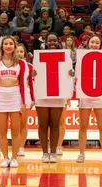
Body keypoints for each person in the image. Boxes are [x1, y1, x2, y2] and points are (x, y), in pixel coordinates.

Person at [0, 36, 28, 168]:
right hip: (1, 96)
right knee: (2, 130)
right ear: (2, 47)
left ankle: (14, 157)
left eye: (11, 44)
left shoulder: (21, 63)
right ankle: (5, 157)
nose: (8, 46)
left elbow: (23, 83)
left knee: (15, 130)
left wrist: (24, 102)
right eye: (5, 44)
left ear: (14, 46)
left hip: (15, 96)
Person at [35, 33, 72, 163]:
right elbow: (33, 75)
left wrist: (70, 75)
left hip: (58, 94)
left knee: (55, 124)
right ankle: (45, 153)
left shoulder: (65, 57)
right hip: (41, 94)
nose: (52, 43)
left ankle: (54, 152)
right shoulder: (38, 56)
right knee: (43, 124)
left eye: (54, 41)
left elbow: (69, 76)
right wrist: (34, 73)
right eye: (49, 41)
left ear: (58, 42)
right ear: (45, 42)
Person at [75, 35, 102, 163]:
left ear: (100, 45)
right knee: (83, 126)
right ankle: (81, 153)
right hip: (85, 96)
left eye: (97, 43)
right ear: (88, 44)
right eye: (92, 42)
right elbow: (77, 76)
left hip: (99, 96)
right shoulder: (81, 59)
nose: (94, 44)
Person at [15, 43, 34, 157]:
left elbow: (31, 84)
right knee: (14, 124)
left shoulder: (30, 66)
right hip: (12, 95)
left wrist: (32, 98)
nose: (19, 54)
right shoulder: (9, 65)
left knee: (23, 123)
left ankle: (21, 146)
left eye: (21, 51)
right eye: (17, 51)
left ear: (25, 53)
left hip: (25, 95)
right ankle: (15, 145)